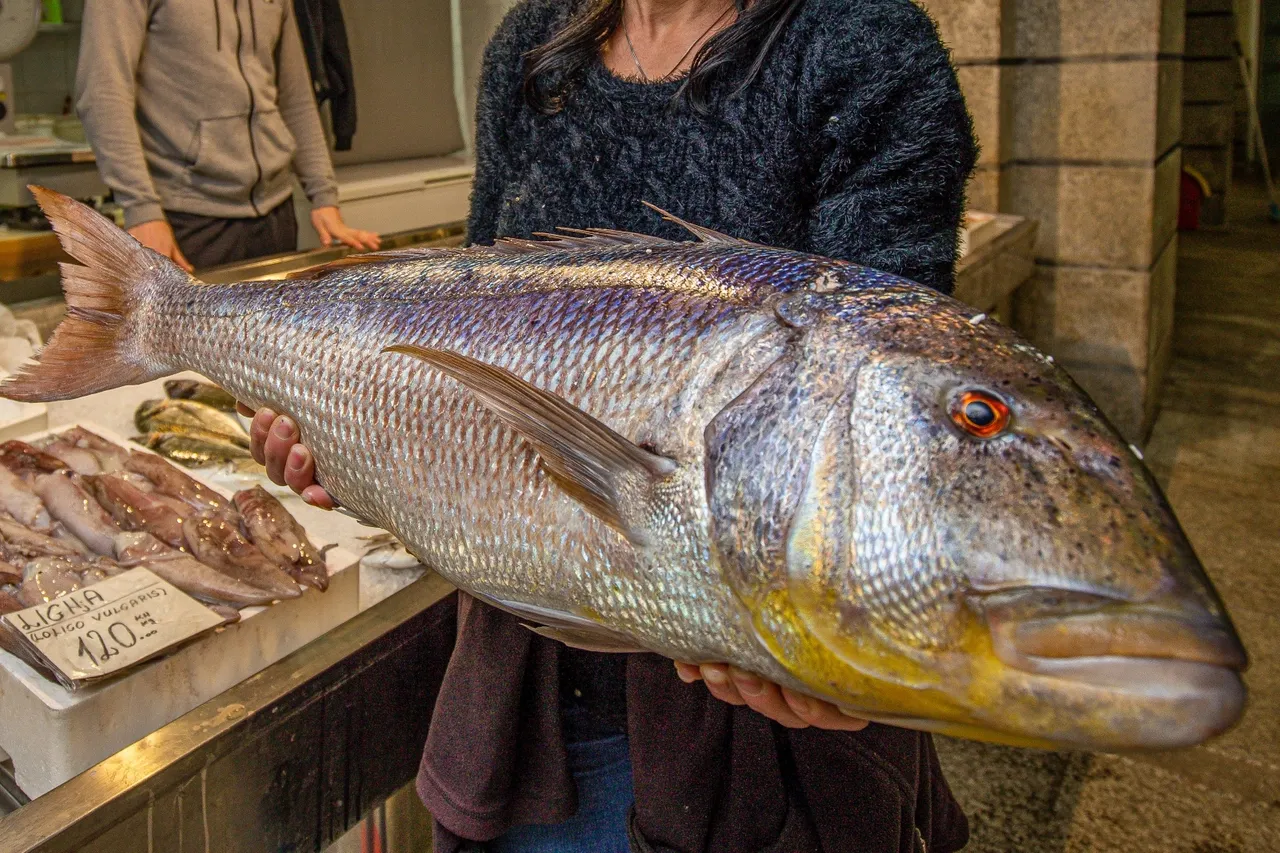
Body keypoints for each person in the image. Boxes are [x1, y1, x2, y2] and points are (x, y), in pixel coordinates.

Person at [245, 0, 978, 850]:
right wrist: (361, 434)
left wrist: (858, 661)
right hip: (528, 688)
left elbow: (884, 402)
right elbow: (478, 314)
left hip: (758, 739)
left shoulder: (862, 44)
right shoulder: (530, 44)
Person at [76, 0, 379, 272]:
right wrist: (141, 211)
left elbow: (295, 98)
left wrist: (323, 196)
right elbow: (104, 95)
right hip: (188, 219)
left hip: (277, 214)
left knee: (270, 334)